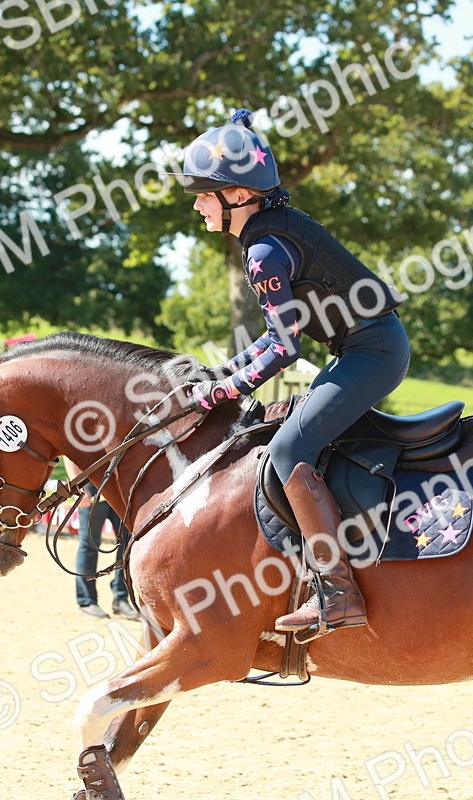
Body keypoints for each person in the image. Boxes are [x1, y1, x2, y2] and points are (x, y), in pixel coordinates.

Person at [164, 109, 411, 641]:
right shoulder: (270, 236)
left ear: (236, 196)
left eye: (204, 194)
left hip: (372, 353)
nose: (196, 205)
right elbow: (275, 335)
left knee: (286, 451)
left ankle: (337, 591)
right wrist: (218, 374)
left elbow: (284, 347)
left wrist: (221, 393)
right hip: (363, 348)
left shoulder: (263, 251)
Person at [65, 460, 138, 620]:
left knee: (128, 543)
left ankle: (121, 598)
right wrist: (79, 488)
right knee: (89, 544)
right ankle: (86, 601)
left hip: (119, 487)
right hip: (91, 487)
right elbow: (69, 456)